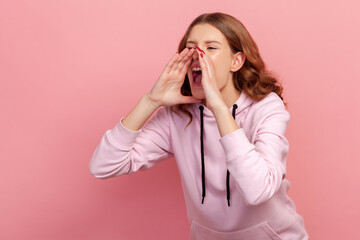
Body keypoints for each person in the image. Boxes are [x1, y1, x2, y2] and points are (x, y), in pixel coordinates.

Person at [89, 12, 308, 239]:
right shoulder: (178, 115)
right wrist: (150, 101)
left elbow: (257, 191)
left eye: (211, 48)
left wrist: (219, 109)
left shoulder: (265, 108)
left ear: (236, 61)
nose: (197, 55)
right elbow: (103, 165)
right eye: (190, 47)